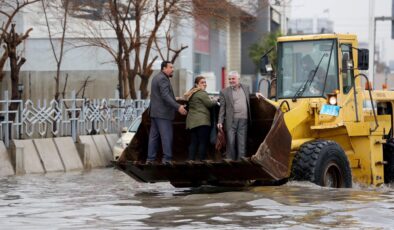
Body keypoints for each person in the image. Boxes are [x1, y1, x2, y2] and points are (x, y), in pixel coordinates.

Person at [146, 61, 187, 164]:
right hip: (163, 114)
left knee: (153, 137)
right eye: (170, 67)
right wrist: (178, 107)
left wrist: (174, 98)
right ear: (164, 68)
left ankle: (150, 159)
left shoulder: (156, 77)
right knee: (166, 136)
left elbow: (161, 95)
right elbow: (165, 96)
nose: (173, 69)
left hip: (155, 112)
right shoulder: (163, 79)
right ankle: (167, 159)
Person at [217, 71, 251, 161]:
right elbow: (222, 107)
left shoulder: (246, 88)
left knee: (242, 143)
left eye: (233, 79)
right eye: (229, 79)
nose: (231, 81)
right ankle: (230, 165)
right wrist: (220, 121)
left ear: (238, 79)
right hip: (231, 120)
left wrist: (257, 94)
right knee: (230, 143)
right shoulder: (224, 92)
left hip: (244, 119)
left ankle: (241, 164)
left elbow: (250, 97)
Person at [184, 76, 217, 161]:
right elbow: (209, 104)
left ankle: (191, 160)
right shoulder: (202, 93)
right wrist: (216, 100)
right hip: (202, 122)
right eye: (202, 82)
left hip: (191, 122)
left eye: (205, 82)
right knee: (202, 142)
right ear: (196, 84)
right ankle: (201, 161)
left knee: (194, 142)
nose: (205, 84)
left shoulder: (192, 93)